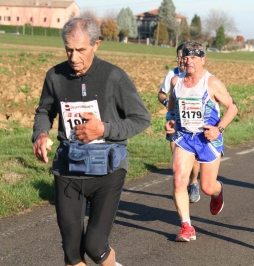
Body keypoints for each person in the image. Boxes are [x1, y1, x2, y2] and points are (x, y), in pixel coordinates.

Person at [32, 18, 151, 266]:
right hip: (68, 169)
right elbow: (44, 111)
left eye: (81, 50)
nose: (73, 57)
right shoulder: (55, 76)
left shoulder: (114, 77)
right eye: (68, 49)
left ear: (96, 45)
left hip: (108, 170)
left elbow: (141, 119)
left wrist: (103, 129)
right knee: (72, 252)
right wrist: (41, 134)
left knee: (95, 247)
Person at [165, 40, 238, 242]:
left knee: (207, 186)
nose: (189, 61)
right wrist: (170, 118)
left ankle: (218, 191)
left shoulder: (212, 82)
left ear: (203, 59)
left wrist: (218, 129)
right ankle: (187, 227)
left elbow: (233, 107)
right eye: (186, 57)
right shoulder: (176, 82)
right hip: (185, 137)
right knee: (179, 179)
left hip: (207, 139)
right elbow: (172, 103)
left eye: (194, 58)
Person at [158, 44, 201, 203]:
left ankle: (194, 182)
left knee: (194, 157)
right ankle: (181, 185)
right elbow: (161, 94)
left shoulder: (199, 76)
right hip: (175, 122)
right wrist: (168, 102)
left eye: (185, 57)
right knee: (178, 158)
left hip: (194, 123)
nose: (182, 60)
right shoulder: (172, 75)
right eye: (180, 57)